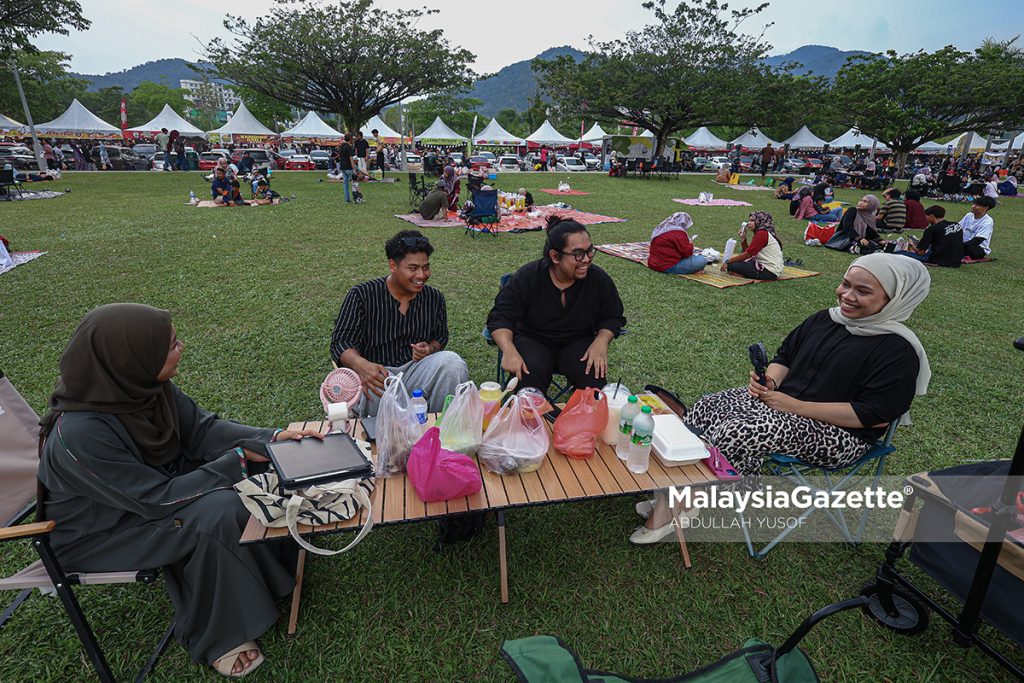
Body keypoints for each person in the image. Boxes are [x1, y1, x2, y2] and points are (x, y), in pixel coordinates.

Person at [36, 303, 319, 676]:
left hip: (148, 494)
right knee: (217, 512)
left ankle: (266, 577)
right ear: (133, 358)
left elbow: (202, 431)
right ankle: (220, 635)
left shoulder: (146, 388)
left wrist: (270, 439)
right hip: (104, 533)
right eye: (170, 345)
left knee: (258, 467)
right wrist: (235, 460)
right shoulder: (79, 434)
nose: (181, 347)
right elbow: (155, 501)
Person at [632, 255, 930, 543]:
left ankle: (683, 502)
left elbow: (875, 415)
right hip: (783, 405)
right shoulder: (825, 319)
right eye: (845, 284)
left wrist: (798, 407)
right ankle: (684, 493)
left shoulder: (898, 351)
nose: (847, 295)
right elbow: (786, 356)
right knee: (706, 407)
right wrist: (771, 381)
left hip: (841, 435)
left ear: (894, 298)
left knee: (739, 431)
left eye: (862, 291)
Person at [330, 231, 468, 416]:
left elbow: (440, 337)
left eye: (426, 267)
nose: (421, 275)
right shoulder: (362, 295)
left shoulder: (434, 298)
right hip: (378, 373)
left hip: (416, 371)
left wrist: (430, 349)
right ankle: (384, 425)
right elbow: (341, 342)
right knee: (374, 390)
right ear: (393, 266)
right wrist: (360, 365)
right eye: (413, 268)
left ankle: (439, 425)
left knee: (452, 364)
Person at [486, 216, 626, 396]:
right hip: (532, 341)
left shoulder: (598, 280)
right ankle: (532, 412)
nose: (586, 259)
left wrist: (601, 341)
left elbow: (612, 316)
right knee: (528, 379)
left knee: (593, 380)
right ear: (555, 256)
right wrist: (508, 350)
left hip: (577, 343)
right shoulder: (528, 278)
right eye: (578, 254)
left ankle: (589, 412)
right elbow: (501, 317)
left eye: (590, 251)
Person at [721, 211, 784, 280]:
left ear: (759, 221)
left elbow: (748, 254)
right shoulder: (761, 233)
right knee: (737, 263)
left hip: (769, 272)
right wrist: (743, 239)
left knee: (732, 265)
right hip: (769, 270)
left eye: (752, 221)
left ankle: (741, 275)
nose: (749, 223)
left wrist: (728, 261)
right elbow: (749, 253)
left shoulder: (762, 234)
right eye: (749, 220)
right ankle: (740, 274)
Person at [894, 204, 963, 267]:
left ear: (931, 216)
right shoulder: (956, 225)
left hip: (939, 260)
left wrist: (911, 244)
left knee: (898, 253)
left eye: (926, 216)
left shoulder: (932, 228)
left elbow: (920, 252)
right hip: (956, 260)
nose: (925, 219)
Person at [337, 133, 356, 203]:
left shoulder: (342, 146)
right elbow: (351, 159)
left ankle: (347, 198)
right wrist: (354, 169)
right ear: (350, 139)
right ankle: (357, 198)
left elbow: (340, 156)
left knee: (345, 183)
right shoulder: (348, 147)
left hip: (342, 167)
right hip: (348, 167)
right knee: (354, 182)